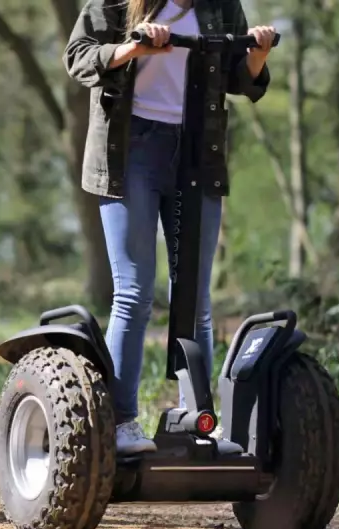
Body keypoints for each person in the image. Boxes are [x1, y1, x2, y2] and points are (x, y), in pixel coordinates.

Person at [63, 0, 276, 455]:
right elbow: (79, 56)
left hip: (197, 148)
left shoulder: (220, 5)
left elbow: (239, 76)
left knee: (195, 294)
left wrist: (257, 55)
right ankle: (122, 423)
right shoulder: (115, 4)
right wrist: (132, 48)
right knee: (134, 292)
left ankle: (195, 421)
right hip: (131, 149)